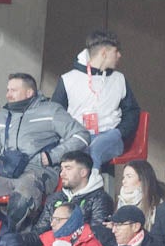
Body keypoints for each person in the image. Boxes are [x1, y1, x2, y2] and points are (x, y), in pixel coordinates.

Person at [0, 73, 90, 228]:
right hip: (6, 174)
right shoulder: (2, 117)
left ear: (29, 92)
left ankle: (9, 238)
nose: (8, 95)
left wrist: (51, 156)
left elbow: (82, 136)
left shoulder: (51, 111)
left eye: (13, 90)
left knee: (22, 198)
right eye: (8, 90)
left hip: (38, 172)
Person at [50, 31, 141, 171]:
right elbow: (55, 115)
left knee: (95, 149)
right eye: (116, 51)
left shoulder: (119, 79)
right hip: (78, 137)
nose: (119, 55)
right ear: (104, 53)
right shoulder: (68, 79)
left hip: (111, 136)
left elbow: (132, 112)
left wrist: (119, 132)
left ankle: (91, 183)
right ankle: (89, 182)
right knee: (80, 152)